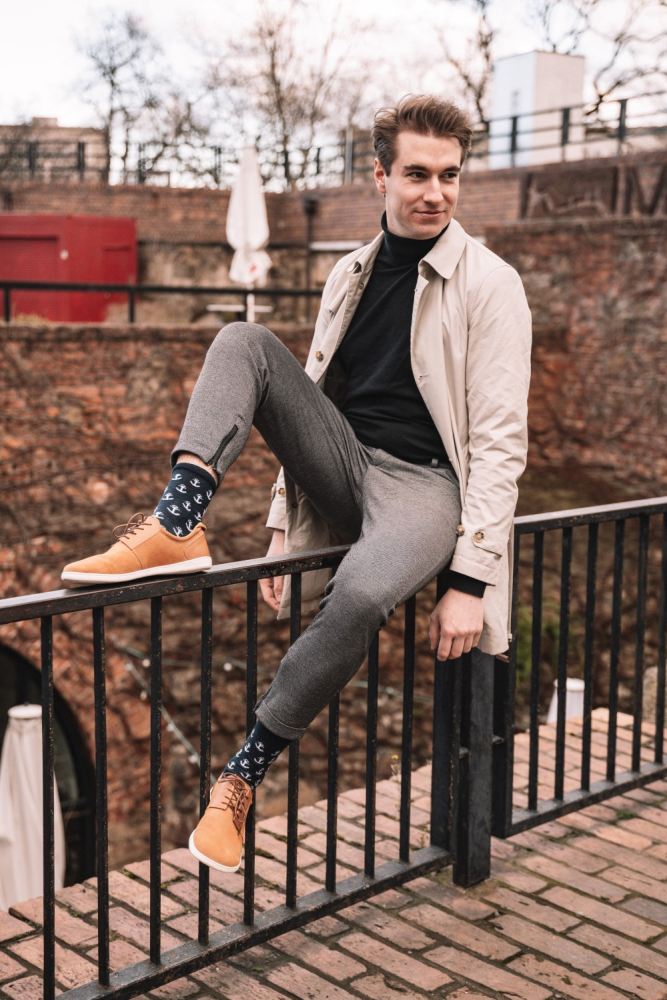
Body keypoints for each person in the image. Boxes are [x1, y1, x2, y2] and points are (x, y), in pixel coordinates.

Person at [61, 95, 532, 874]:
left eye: (448, 176)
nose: (435, 192)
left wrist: (469, 579)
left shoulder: (490, 284)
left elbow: (500, 441)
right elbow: (314, 392)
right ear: (379, 175)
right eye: (416, 174)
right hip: (345, 461)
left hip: (426, 487)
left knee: (358, 594)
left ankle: (241, 777)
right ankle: (177, 522)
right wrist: (283, 518)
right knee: (243, 340)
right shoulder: (349, 272)